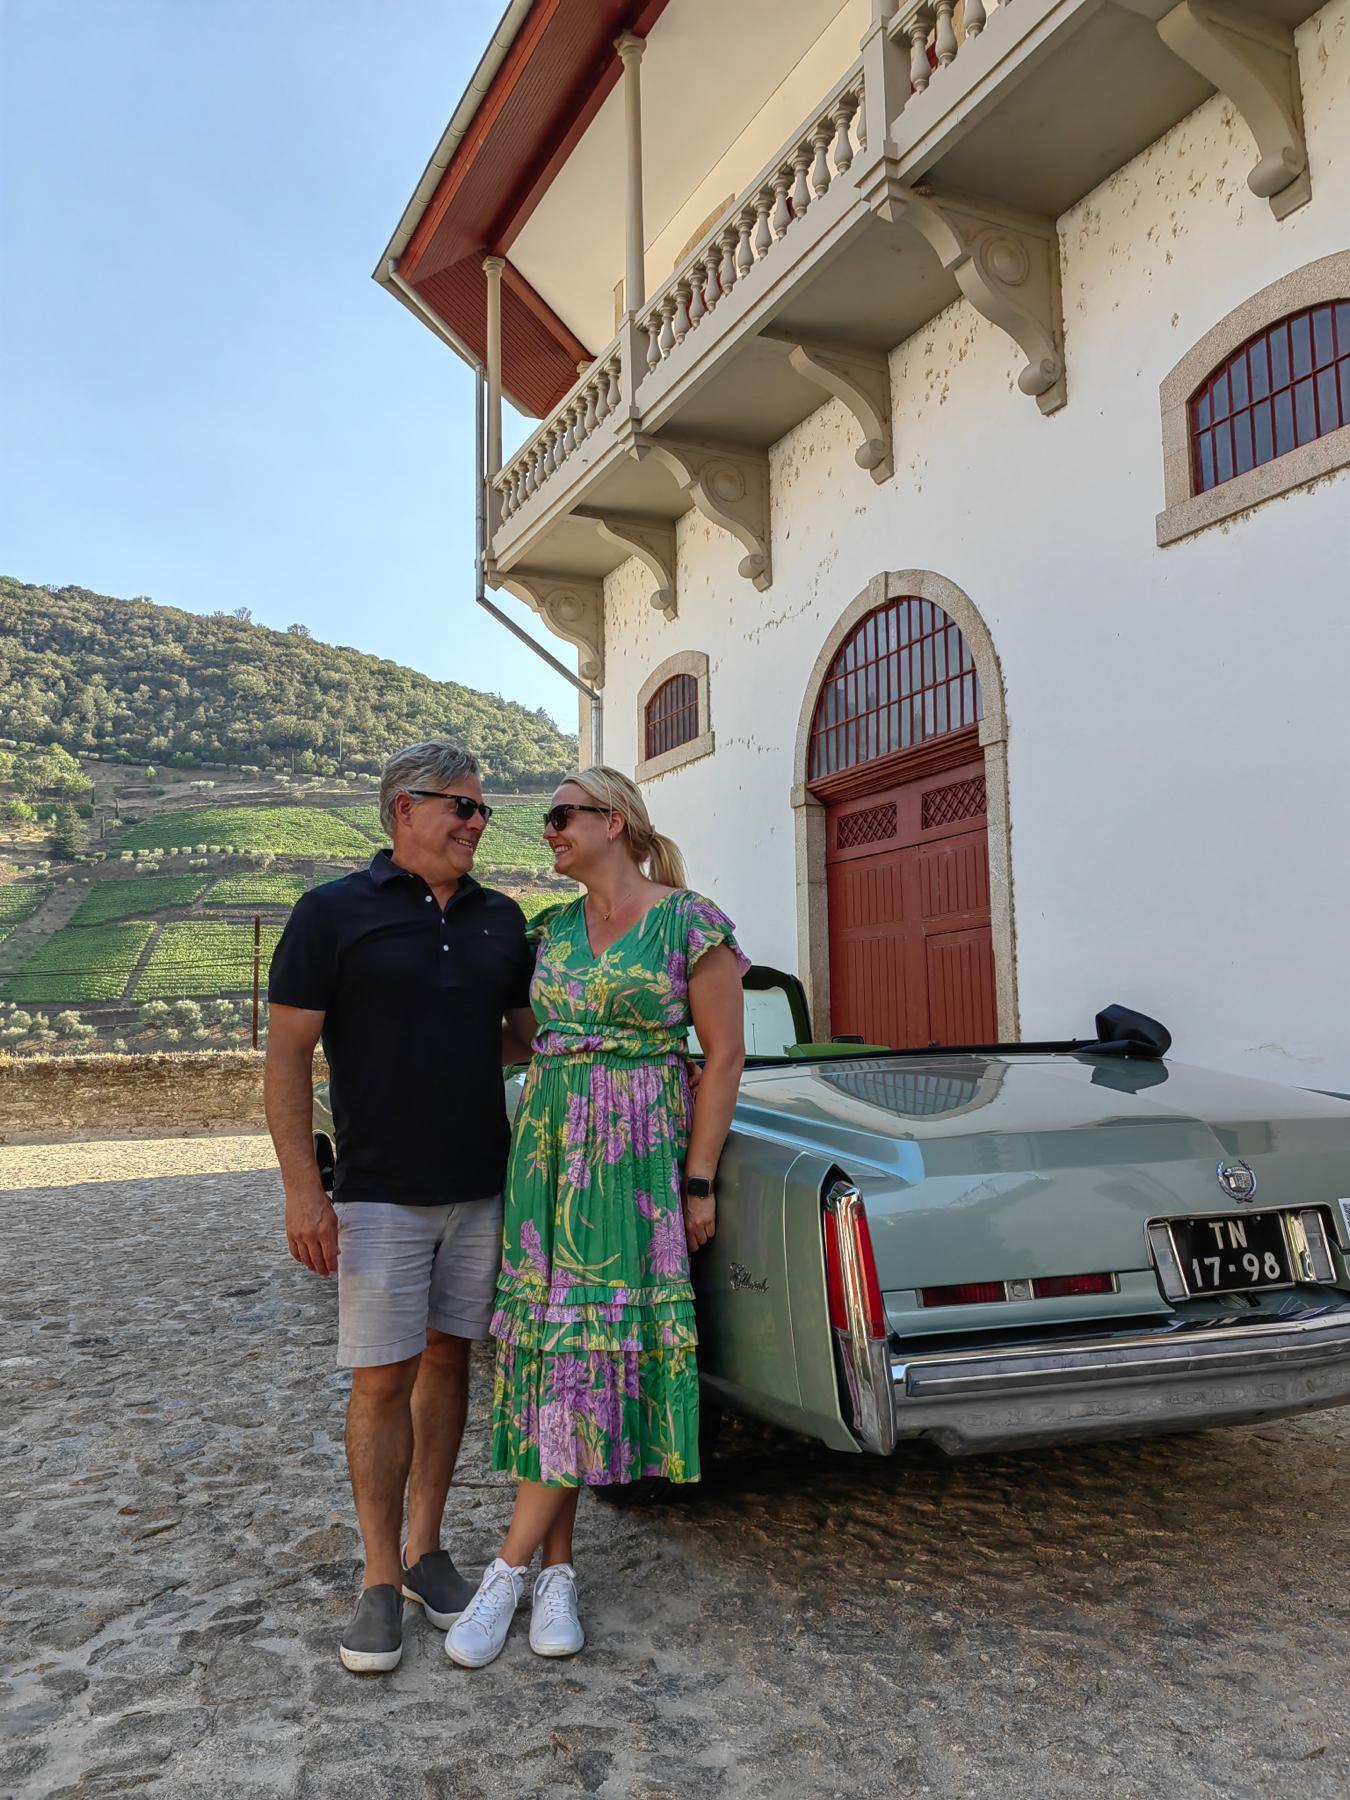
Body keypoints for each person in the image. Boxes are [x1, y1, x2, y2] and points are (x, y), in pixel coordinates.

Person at [445, 765, 748, 1669]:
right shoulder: (551, 931)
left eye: (560, 815)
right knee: (553, 1359)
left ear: (614, 822)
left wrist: (698, 1181)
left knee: (589, 1357)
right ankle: (559, 1572)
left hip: (634, 1164)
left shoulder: (691, 923)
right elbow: (522, 1036)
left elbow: (725, 1058)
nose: (547, 830)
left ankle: (505, 1570)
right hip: (548, 1157)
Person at [264, 742, 536, 1674]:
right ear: (402, 811)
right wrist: (306, 1188)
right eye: (459, 806)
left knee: (449, 1358)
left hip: (481, 1185)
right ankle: (379, 1577)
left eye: (481, 810)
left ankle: (426, 1551)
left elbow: (524, 1039)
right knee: (380, 1379)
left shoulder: (504, 920)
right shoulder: (331, 913)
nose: (474, 822)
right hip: (377, 1193)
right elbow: (287, 1058)